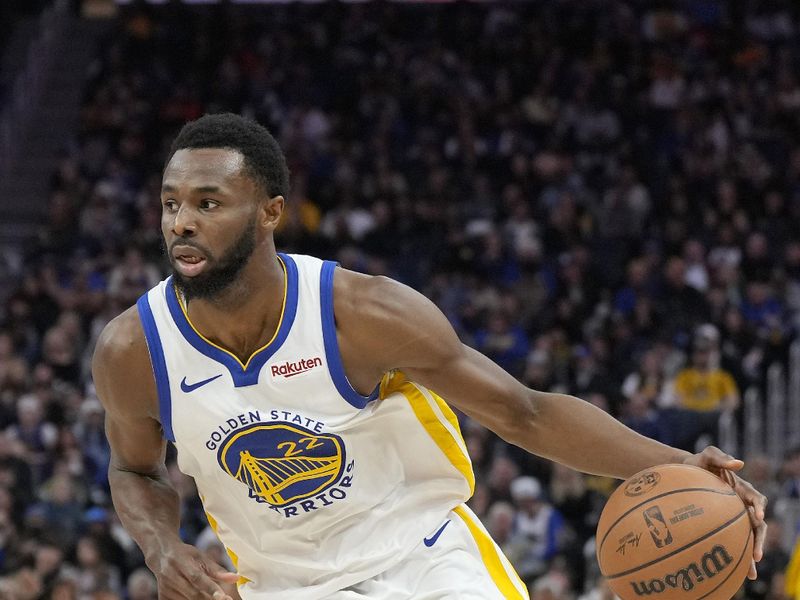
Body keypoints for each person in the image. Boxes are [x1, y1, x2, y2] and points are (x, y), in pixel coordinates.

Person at [92, 113, 768, 600]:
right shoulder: (133, 351)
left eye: (208, 203)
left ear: (269, 212)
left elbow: (524, 413)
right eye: (171, 203)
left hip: (424, 559)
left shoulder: (361, 313)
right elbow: (134, 468)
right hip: (276, 584)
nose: (180, 222)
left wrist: (682, 465)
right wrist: (161, 549)